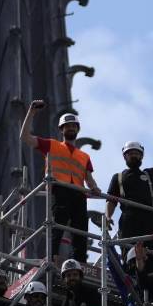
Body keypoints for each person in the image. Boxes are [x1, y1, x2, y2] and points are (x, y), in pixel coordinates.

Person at [20, 100, 103, 263]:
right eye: (67, 126)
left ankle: (80, 263)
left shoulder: (84, 156)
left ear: (77, 130)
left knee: (81, 231)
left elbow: (89, 178)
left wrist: (95, 188)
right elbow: (24, 137)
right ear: (61, 129)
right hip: (60, 189)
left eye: (73, 126)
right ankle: (53, 257)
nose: (70, 128)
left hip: (79, 194)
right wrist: (31, 112)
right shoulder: (51, 145)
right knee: (57, 226)